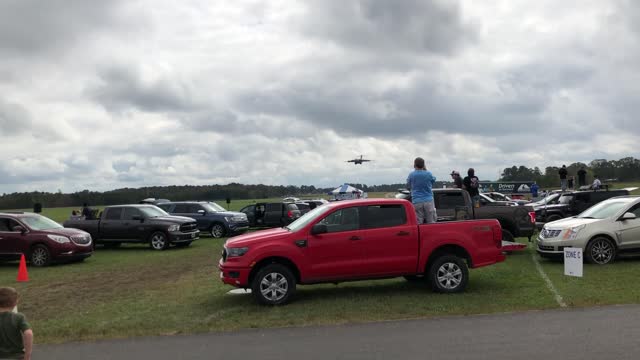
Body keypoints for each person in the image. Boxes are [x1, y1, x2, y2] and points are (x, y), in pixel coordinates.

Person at [0, 287, 33, 360]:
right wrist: (27, 356)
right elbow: (28, 333)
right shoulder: (18, 317)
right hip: (17, 357)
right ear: (15, 303)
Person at [406, 157, 437, 224]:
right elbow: (433, 180)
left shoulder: (411, 175)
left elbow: (408, 184)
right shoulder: (428, 174)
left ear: (414, 165)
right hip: (428, 200)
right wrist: (425, 169)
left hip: (417, 200)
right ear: (423, 165)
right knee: (430, 221)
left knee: (419, 221)